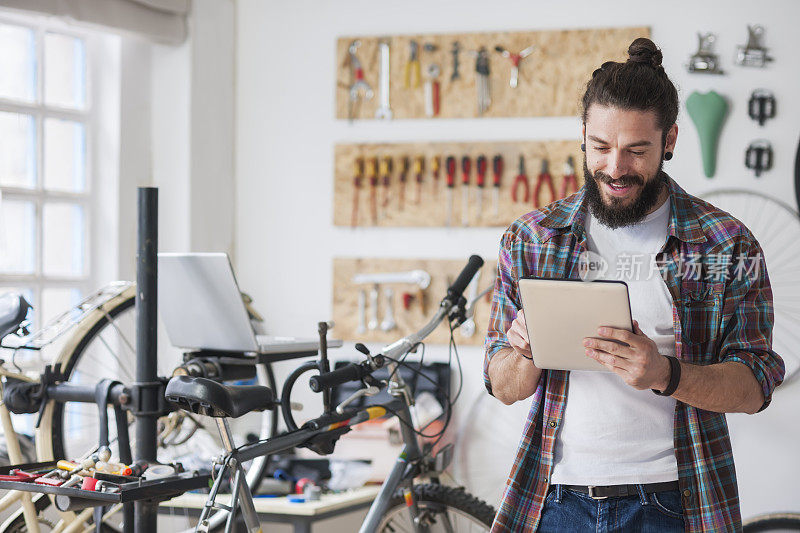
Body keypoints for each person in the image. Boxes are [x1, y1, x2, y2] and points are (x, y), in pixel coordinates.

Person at [483, 37, 785, 533]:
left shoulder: (725, 244)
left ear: (670, 141)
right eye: (600, 147)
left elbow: (755, 386)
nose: (615, 168)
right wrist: (525, 352)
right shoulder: (531, 239)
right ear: (582, 134)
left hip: (672, 503)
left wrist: (666, 374)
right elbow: (501, 385)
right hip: (553, 502)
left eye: (636, 150)